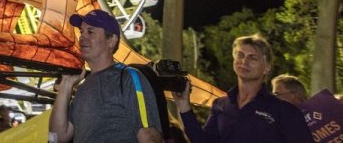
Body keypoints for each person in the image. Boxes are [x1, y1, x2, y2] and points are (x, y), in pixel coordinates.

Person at [173, 33, 313, 142]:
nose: (244, 61)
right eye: (240, 55)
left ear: (266, 68)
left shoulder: (285, 111)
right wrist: (183, 105)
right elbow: (202, 141)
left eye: (252, 58)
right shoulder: (221, 105)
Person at [49, 9, 163, 143]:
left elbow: (148, 135)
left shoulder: (128, 77)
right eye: (82, 32)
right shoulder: (82, 88)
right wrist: (66, 87)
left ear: (111, 41)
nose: (82, 37)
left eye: (90, 32)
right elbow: (57, 137)